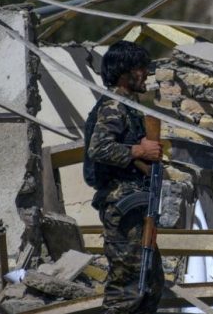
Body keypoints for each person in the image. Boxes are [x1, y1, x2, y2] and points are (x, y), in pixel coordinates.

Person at [83, 40, 164, 314]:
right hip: (121, 208)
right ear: (124, 72)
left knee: (150, 286)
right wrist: (139, 149)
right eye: (141, 68)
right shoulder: (113, 107)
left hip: (135, 206)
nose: (146, 73)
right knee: (126, 292)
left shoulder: (130, 109)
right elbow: (99, 147)